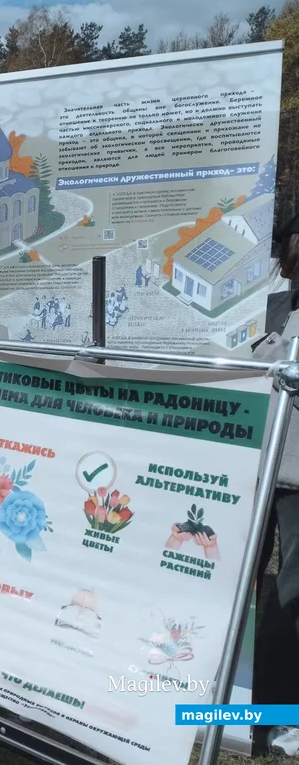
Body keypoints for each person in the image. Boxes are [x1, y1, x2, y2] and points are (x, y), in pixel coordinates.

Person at [253, 211, 299, 756]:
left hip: (293, 473)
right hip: (250, 463)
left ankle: (276, 724)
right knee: (230, 583)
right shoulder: (271, 306)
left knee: (290, 596)